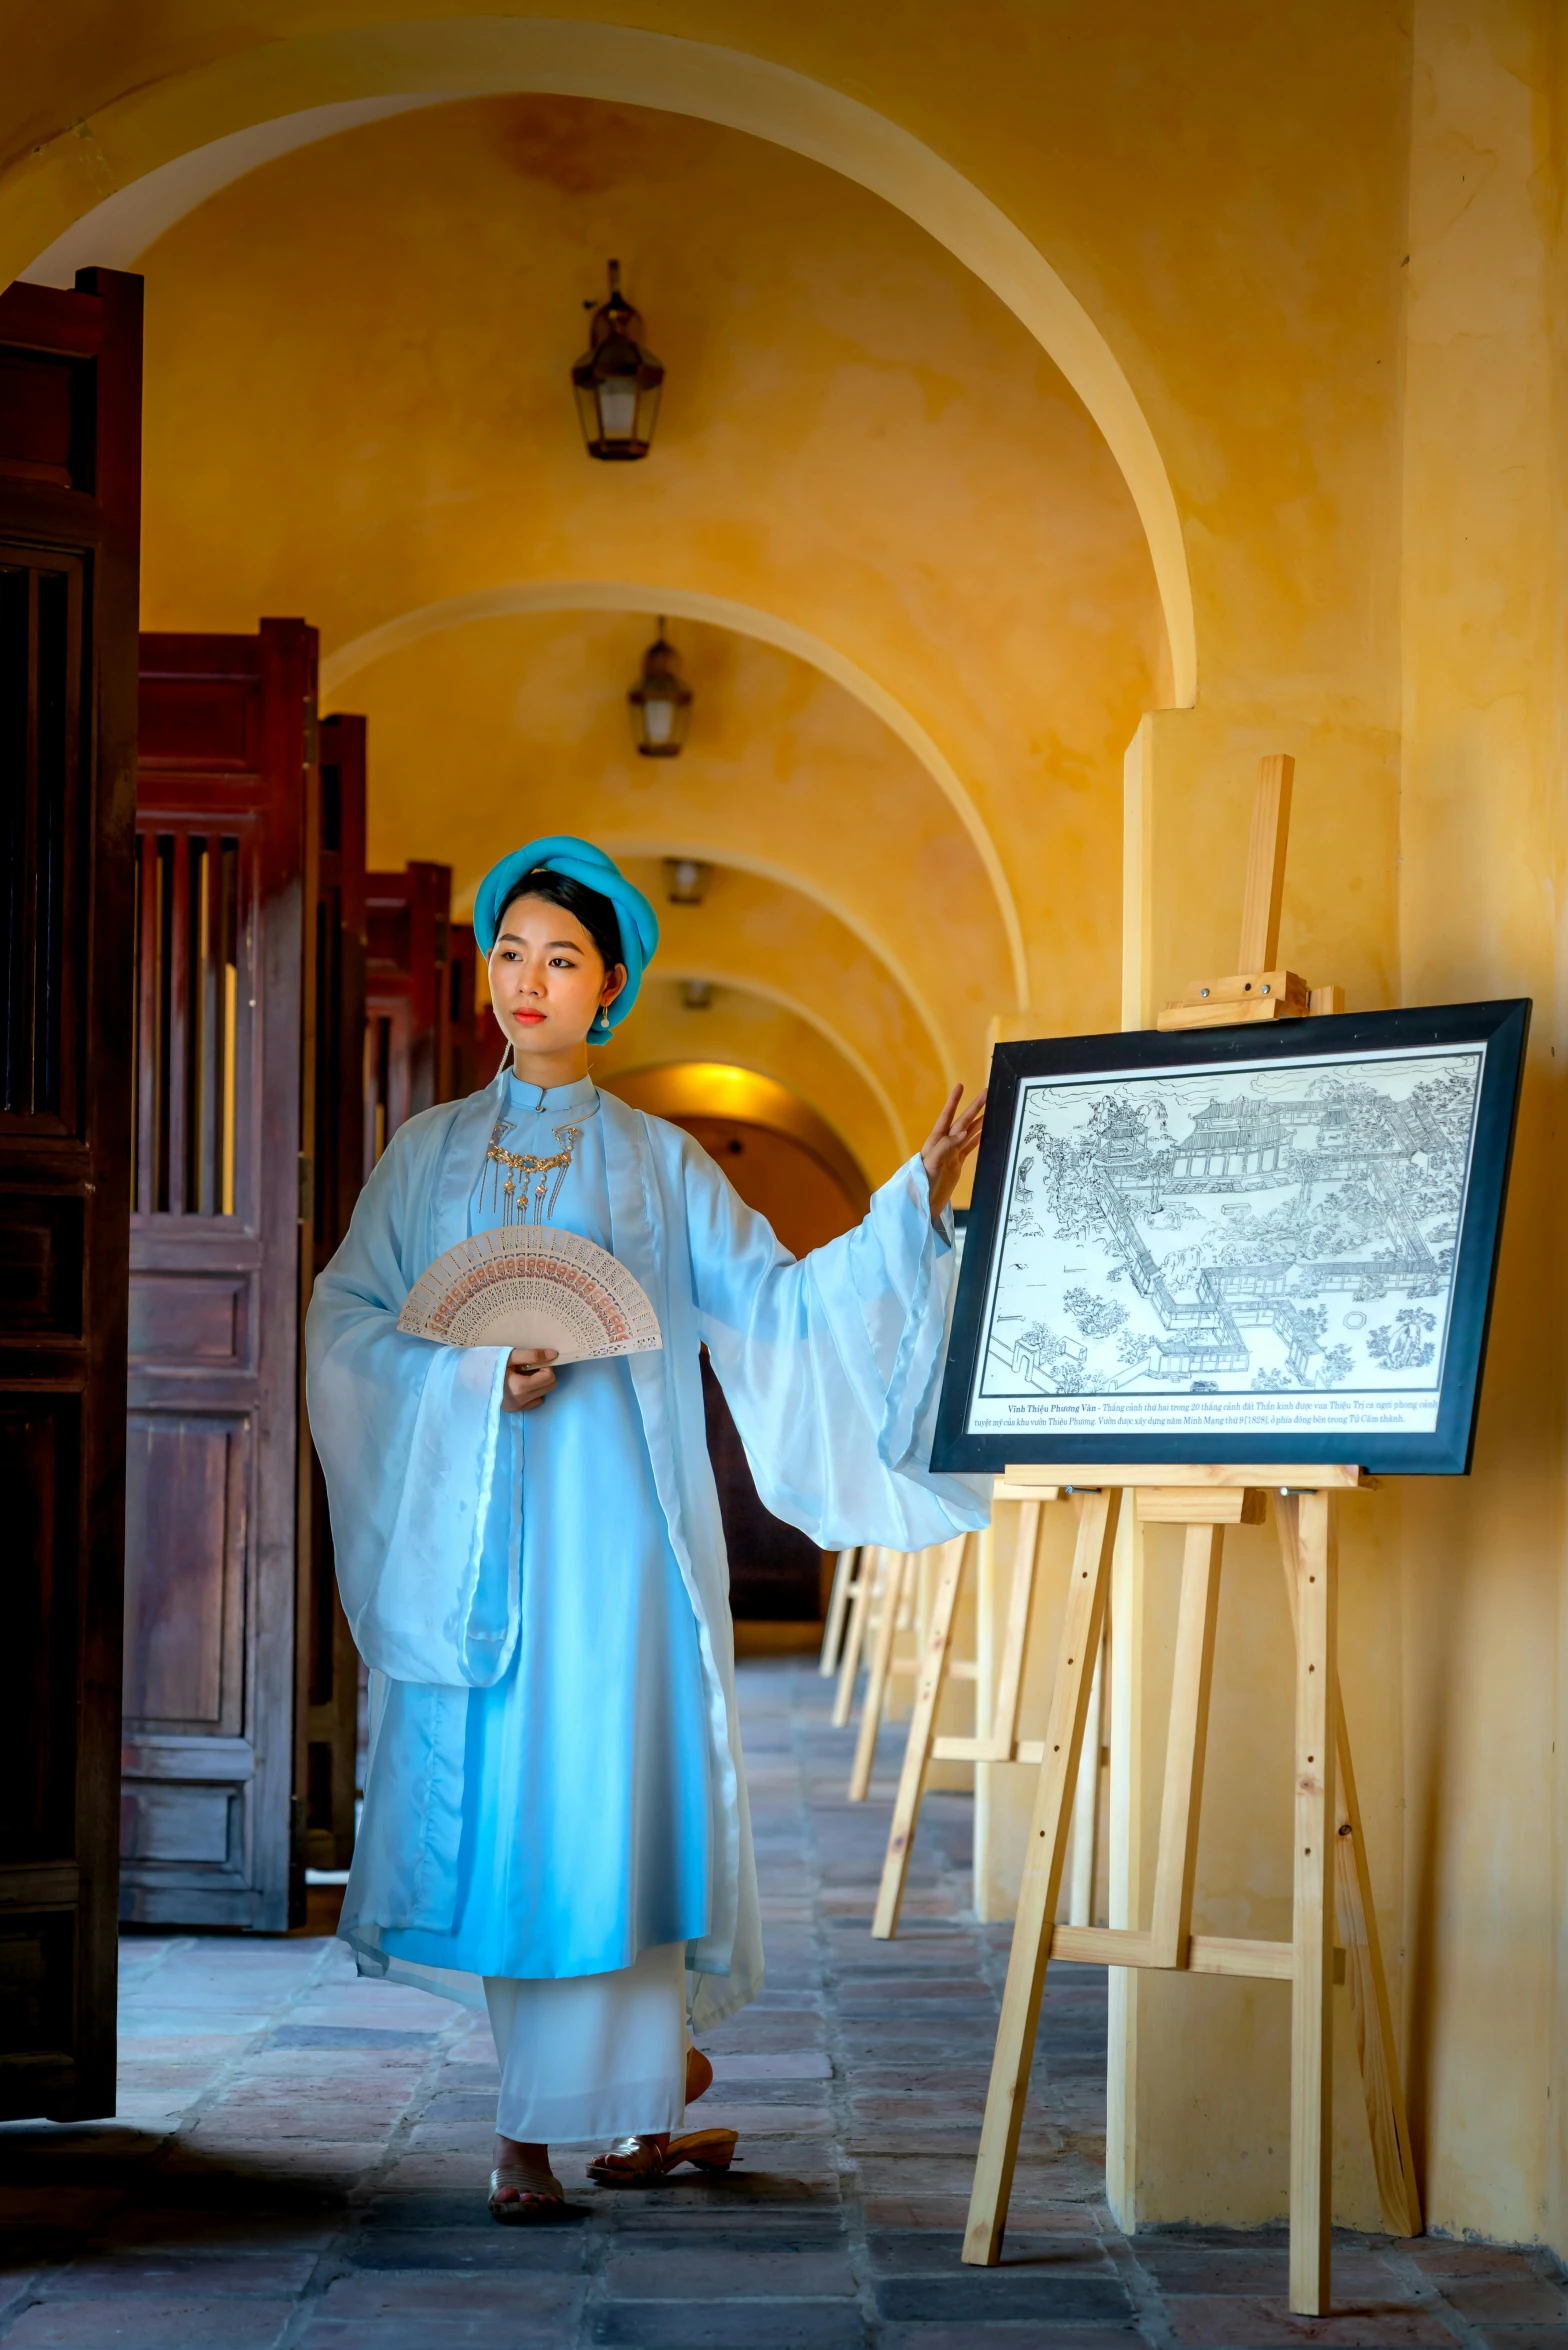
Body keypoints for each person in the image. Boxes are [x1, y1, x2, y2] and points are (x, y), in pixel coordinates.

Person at [305, 836, 989, 2222]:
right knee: (512, 1811)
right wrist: (468, 1374)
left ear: (608, 985)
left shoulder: (661, 1165)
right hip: (484, 1531)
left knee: (604, 1804)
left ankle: (599, 2102)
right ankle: (543, 2124)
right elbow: (342, 1324)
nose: (528, 983)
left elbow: (784, 1309)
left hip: (621, 1545)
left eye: (561, 959)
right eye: (510, 954)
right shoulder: (426, 1159)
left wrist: (908, 1199)